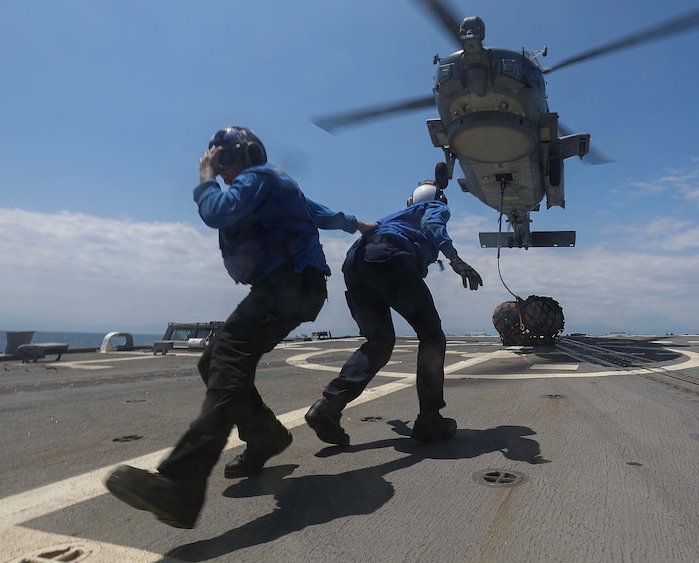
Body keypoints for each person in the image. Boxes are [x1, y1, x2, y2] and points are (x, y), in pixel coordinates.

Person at [105, 126, 375, 529]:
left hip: (288, 285)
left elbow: (217, 212)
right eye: (218, 163)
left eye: (224, 161)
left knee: (228, 359)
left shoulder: (258, 177)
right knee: (213, 361)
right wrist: (358, 225)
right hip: (294, 287)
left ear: (245, 155)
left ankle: (181, 484)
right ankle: (263, 433)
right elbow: (319, 213)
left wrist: (204, 178)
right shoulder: (276, 185)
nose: (223, 171)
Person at [305, 180, 482, 446]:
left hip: (355, 262)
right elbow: (432, 226)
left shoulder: (396, 216)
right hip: (388, 257)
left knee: (379, 342)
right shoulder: (434, 207)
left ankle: (328, 407)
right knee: (432, 336)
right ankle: (430, 419)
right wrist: (454, 258)